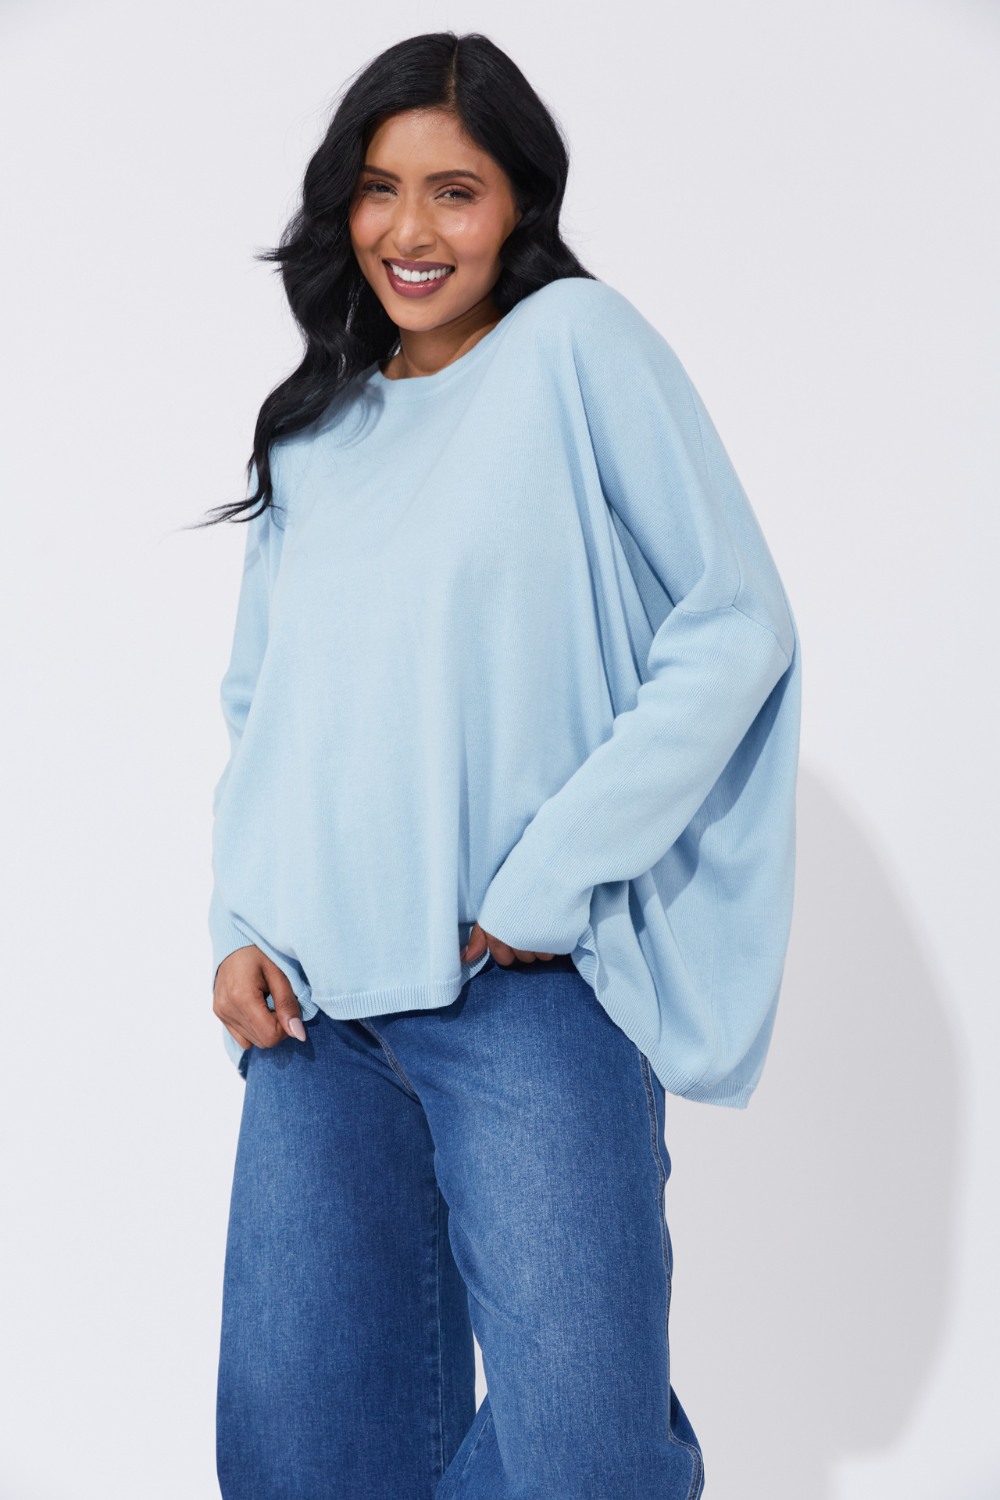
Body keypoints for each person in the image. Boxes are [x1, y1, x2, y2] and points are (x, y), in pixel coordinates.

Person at [208, 30, 799, 1500]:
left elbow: (736, 625)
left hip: (523, 988)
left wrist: (549, 880)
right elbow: (264, 708)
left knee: (587, 1455)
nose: (411, 230)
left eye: (455, 190)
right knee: (301, 1465)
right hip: (314, 1011)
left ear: (520, 203)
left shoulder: (577, 348)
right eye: (379, 188)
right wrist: (234, 926)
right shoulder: (320, 430)